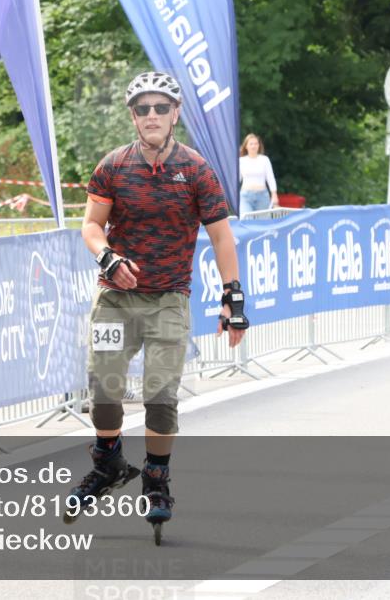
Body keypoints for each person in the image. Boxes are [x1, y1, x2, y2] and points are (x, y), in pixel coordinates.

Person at [66, 71, 249, 543]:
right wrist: (107, 255)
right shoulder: (112, 166)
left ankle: (156, 479)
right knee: (103, 391)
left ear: (175, 114)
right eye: (143, 109)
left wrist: (233, 298)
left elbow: (221, 236)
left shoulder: (197, 169)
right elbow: (90, 225)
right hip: (114, 299)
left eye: (160, 108)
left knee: (160, 398)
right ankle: (108, 463)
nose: (151, 116)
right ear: (133, 115)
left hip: (169, 299)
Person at [238, 133, 279, 215]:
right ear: (246, 146)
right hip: (245, 196)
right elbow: (236, 180)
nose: (253, 146)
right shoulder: (241, 161)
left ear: (259, 146)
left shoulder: (264, 160)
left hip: (262, 196)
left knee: (262, 224)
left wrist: (274, 195)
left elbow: (270, 178)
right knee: (246, 221)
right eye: (251, 144)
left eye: (256, 144)